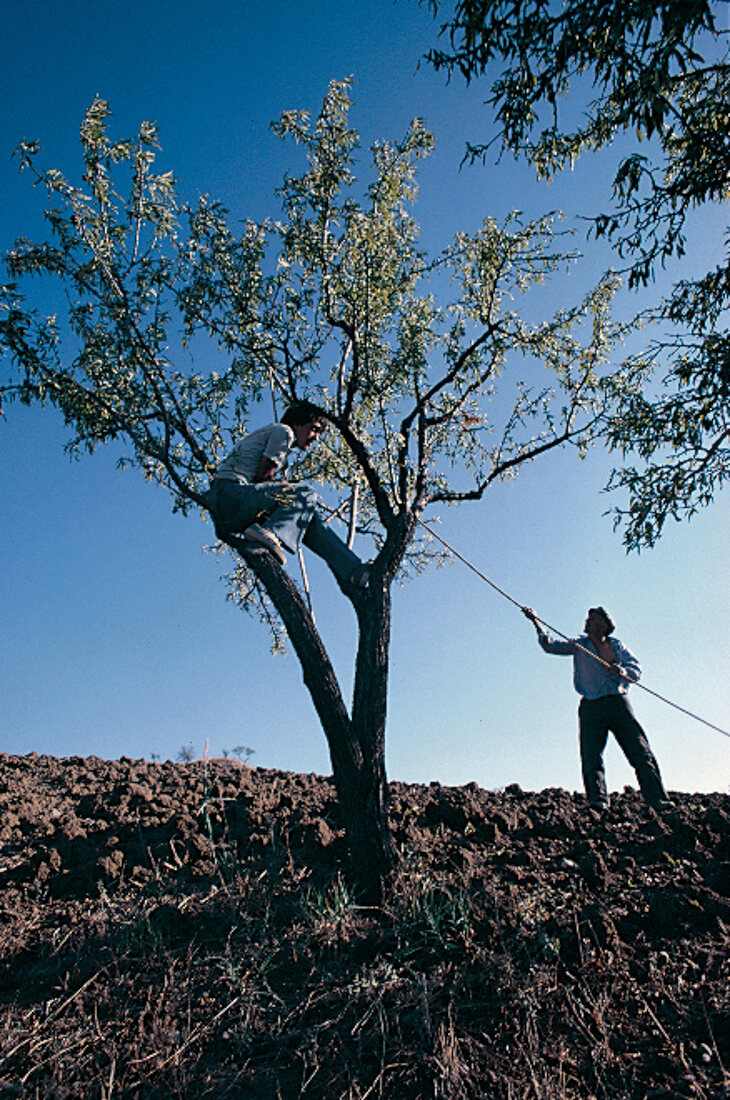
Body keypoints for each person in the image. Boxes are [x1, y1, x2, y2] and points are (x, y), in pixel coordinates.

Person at [206, 402, 371, 590]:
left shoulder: (282, 441)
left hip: (231, 510)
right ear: (298, 424)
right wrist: (289, 490)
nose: (315, 438)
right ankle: (271, 533)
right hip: (231, 494)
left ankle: (354, 570)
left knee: (308, 519)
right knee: (305, 495)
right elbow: (264, 476)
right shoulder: (283, 432)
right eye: (313, 430)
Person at [522, 605, 670, 810]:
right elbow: (549, 645)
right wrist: (536, 622)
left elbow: (636, 670)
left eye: (591, 620)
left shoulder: (617, 646)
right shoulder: (579, 645)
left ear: (603, 626)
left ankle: (658, 800)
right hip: (590, 706)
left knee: (640, 752)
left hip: (617, 703)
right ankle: (598, 802)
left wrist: (621, 670)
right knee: (591, 756)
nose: (586, 622)